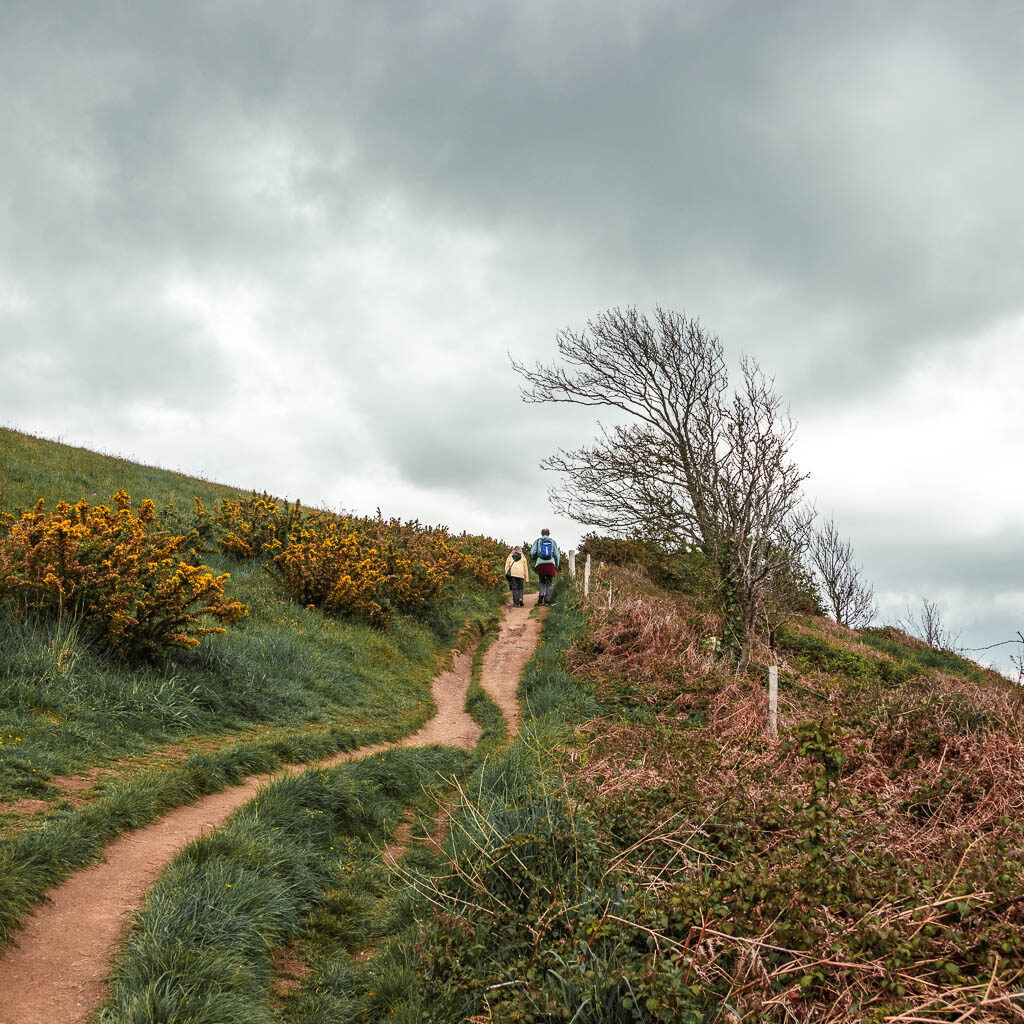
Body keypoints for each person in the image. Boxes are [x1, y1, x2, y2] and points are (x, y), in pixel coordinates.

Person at [530, 528, 560, 605]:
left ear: (542, 534)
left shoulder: (538, 541)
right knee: (549, 583)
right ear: (549, 534)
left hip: (540, 564)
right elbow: (557, 555)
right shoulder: (553, 542)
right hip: (550, 564)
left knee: (541, 581)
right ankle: (547, 600)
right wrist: (556, 564)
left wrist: (535, 557)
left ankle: (541, 594)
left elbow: (532, 552)